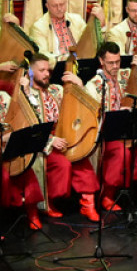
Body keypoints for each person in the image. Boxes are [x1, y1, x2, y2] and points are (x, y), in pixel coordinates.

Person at [21, 54, 99, 222]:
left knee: (82, 158)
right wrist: (50, 141)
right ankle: (48, 203)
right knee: (62, 164)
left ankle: (88, 204)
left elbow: (81, 103)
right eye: (41, 70)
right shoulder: (26, 94)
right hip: (42, 142)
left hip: (64, 136)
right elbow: (27, 126)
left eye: (48, 70)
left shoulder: (57, 89)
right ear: (31, 73)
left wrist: (79, 84)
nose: (46, 74)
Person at [0, 68, 44, 230]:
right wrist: (0, 139)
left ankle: (32, 212)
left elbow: (19, 113)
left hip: (12, 146)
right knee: (0, 175)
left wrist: (25, 91)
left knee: (27, 167)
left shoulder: (3, 97)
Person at [84, 41, 137, 211]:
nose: (115, 66)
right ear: (101, 61)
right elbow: (92, 115)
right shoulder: (93, 85)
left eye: (118, 62)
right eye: (111, 63)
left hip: (129, 130)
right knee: (121, 153)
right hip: (108, 133)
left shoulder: (126, 75)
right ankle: (108, 195)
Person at [29, 0, 98, 62]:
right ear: (47, 6)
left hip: (80, 62)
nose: (59, 9)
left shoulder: (77, 19)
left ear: (66, 3)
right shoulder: (38, 27)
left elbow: (89, 42)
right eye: (55, 6)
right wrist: (61, 59)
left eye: (62, 4)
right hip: (57, 65)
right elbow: (42, 54)